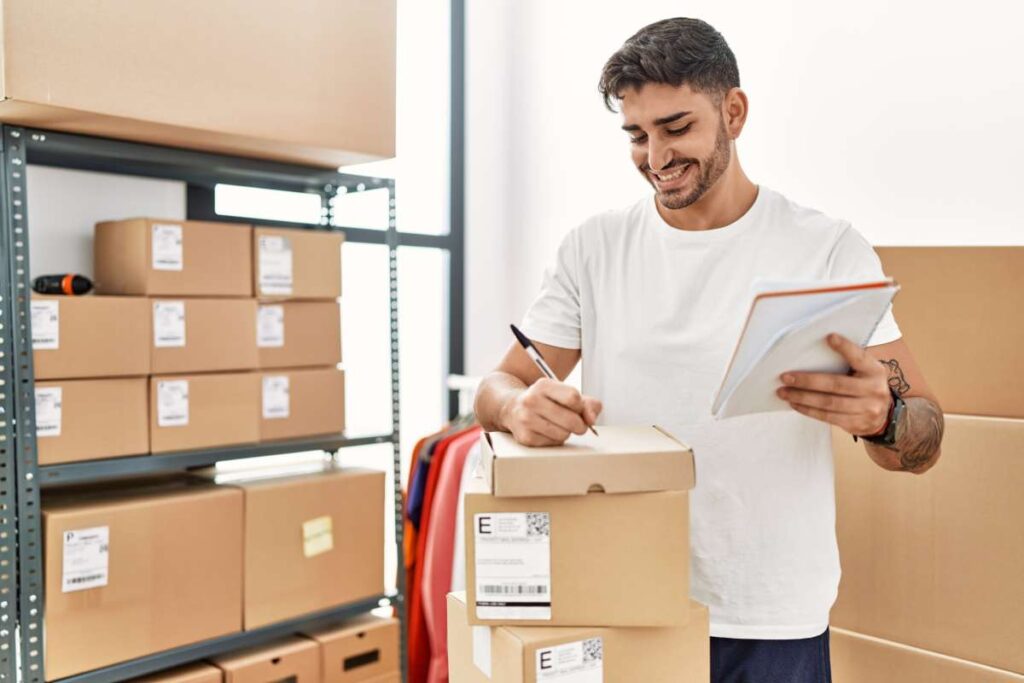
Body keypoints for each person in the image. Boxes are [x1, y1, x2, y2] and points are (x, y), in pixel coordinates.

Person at [474, 17, 945, 683]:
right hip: (627, 599)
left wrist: (886, 418)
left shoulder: (827, 249)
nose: (656, 156)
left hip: (773, 619)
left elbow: (924, 432)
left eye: (676, 127)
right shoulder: (594, 248)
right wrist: (519, 406)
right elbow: (493, 387)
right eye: (637, 136)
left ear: (734, 110)